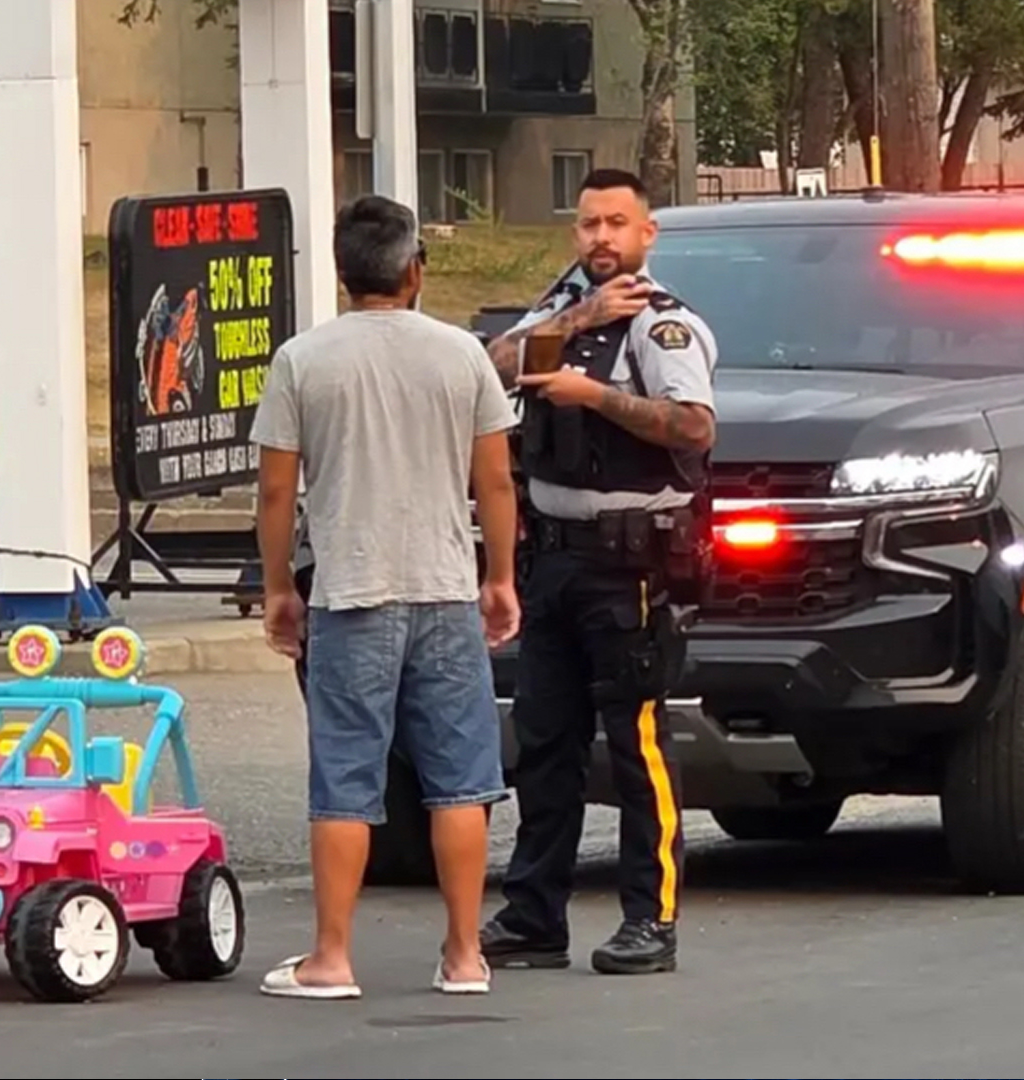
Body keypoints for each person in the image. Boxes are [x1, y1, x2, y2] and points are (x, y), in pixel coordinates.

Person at [251, 193, 522, 1000]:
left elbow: (276, 491)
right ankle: (465, 954)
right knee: (461, 779)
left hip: (351, 591)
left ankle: (331, 958)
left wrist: (277, 586)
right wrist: (499, 577)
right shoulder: (463, 356)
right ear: (415, 271)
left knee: (345, 777)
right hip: (444, 589)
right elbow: (495, 481)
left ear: (344, 275)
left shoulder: (303, 360)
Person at [478, 168, 719, 976]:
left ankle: (651, 919)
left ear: (647, 233)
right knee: (545, 743)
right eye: (589, 224)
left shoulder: (663, 326)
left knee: (636, 745)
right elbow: (494, 367)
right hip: (554, 559)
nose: (602, 238)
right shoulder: (562, 308)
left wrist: (595, 397)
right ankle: (534, 918)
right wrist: (575, 318)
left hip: (631, 565)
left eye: (617, 223)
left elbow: (694, 426)